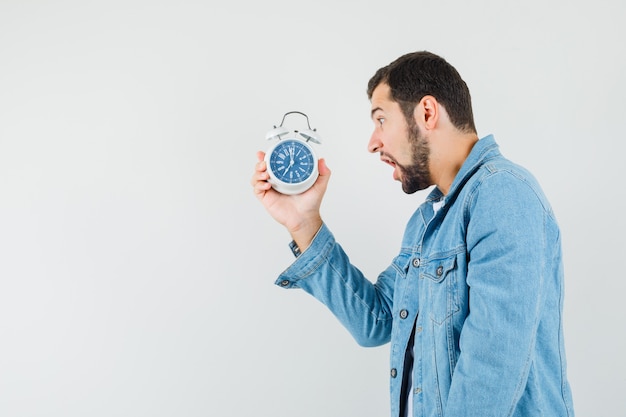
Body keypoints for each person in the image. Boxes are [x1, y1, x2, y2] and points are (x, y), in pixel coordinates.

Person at [251, 51, 575, 417]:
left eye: (381, 119)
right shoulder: (429, 222)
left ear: (426, 113)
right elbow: (375, 321)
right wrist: (303, 223)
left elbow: (492, 367)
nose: (372, 142)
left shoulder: (502, 194)